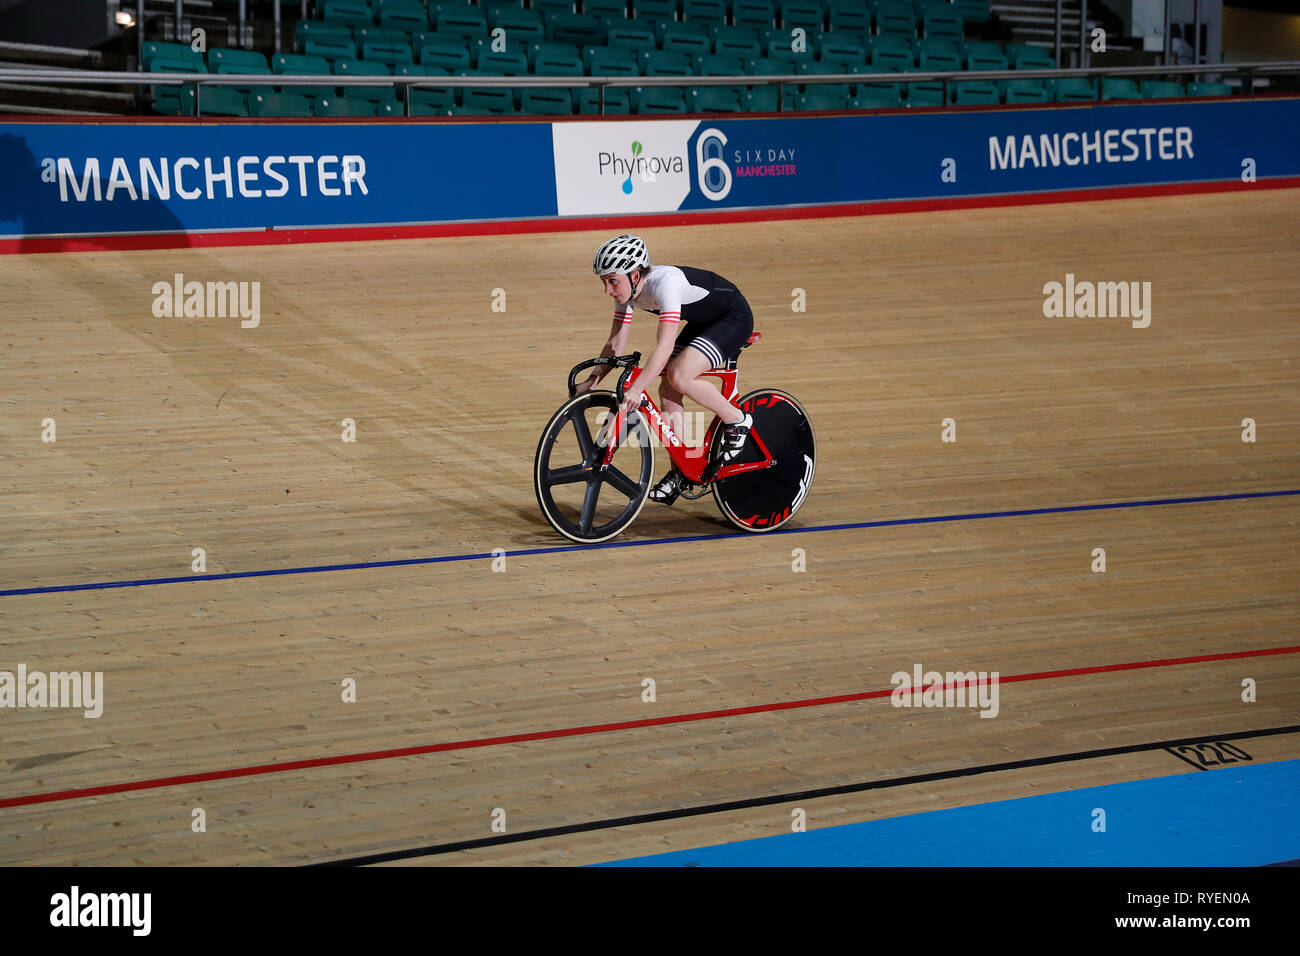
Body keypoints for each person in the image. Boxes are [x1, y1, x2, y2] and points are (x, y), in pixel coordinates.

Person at [575, 234, 754, 506]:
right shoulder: (627, 291)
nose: (607, 290)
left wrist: (637, 389)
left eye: (612, 281)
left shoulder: (665, 284)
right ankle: (682, 471)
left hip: (732, 317)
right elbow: (616, 343)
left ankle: (737, 419)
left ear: (635, 274)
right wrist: (593, 379)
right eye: (604, 282)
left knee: (679, 375)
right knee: (668, 388)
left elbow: (664, 346)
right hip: (703, 320)